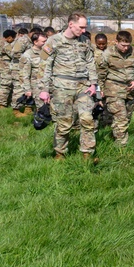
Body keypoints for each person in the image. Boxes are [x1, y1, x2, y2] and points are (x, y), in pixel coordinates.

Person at [38, 13, 99, 162]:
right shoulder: (53, 41)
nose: (84, 31)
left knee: (87, 119)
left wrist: (93, 84)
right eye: (81, 27)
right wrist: (44, 89)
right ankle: (60, 153)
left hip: (83, 87)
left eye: (85, 27)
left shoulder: (85, 41)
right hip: (62, 88)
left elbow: (91, 62)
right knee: (64, 123)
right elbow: (44, 65)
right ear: (71, 24)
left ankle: (87, 154)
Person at [97, 30, 134, 146]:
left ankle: (115, 135)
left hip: (130, 89)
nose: (126, 48)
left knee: (126, 117)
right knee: (121, 117)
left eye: (128, 45)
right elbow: (100, 73)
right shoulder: (108, 53)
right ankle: (121, 146)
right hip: (113, 88)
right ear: (116, 42)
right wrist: (100, 92)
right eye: (123, 45)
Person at [17, 30, 48, 116]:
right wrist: (27, 89)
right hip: (37, 86)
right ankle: (40, 122)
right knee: (41, 106)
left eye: (46, 41)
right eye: (43, 41)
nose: (45, 43)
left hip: (49, 83)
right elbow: (24, 74)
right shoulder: (27, 55)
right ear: (35, 42)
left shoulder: (47, 51)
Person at [0, 29, 17, 108]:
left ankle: (6, 102)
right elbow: (12, 55)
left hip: (1, 64)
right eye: (14, 38)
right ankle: (2, 104)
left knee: (7, 84)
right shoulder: (5, 44)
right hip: (5, 65)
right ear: (9, 37)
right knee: (5, 85)